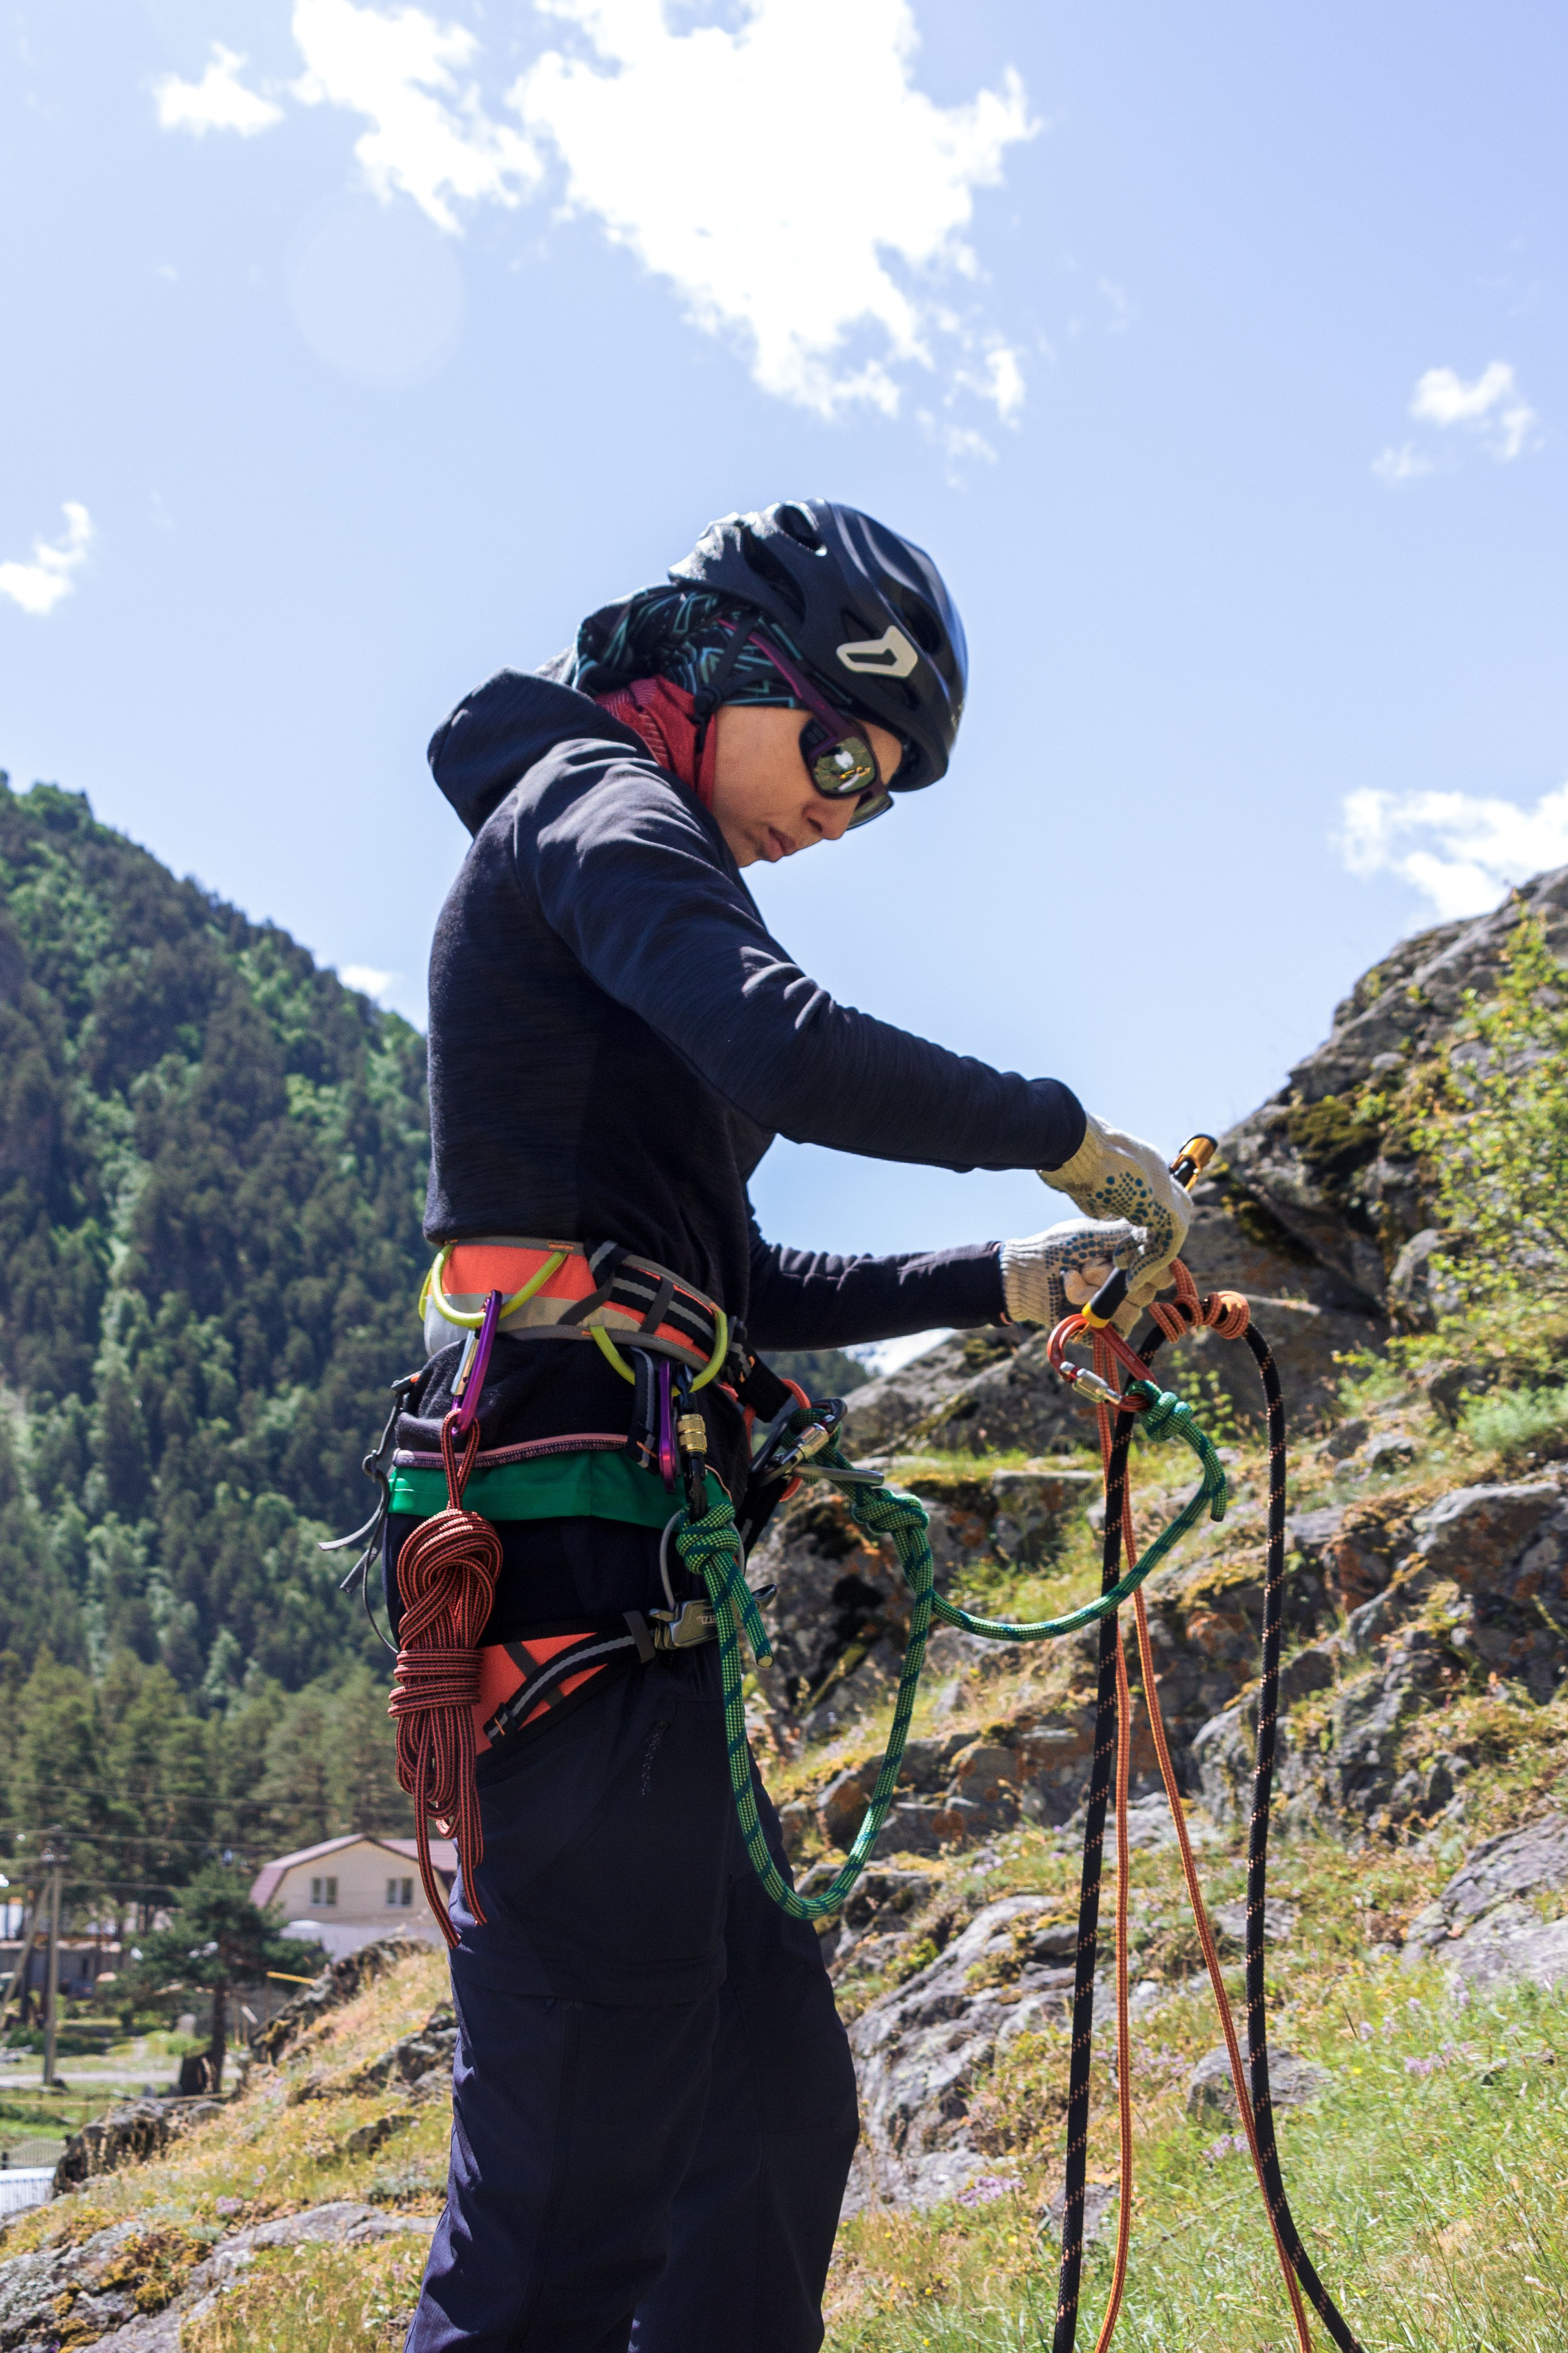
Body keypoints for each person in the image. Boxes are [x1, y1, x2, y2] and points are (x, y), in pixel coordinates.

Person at [389, 499, 1193, 2352]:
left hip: (636, 1598)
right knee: (560, 2227)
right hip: (569, 1596)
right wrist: (1055, 1121)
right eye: (839, 749)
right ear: (724, 669)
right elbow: (784, 1046)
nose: (843, 810)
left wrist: (1013, 1268)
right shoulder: (599, 810)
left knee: (761, 2125)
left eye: (884, 791)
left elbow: (727, 1272)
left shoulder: (647, 882)